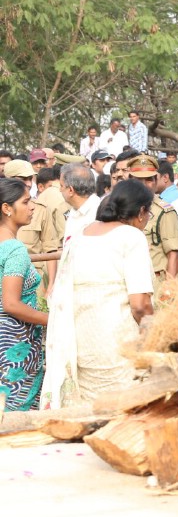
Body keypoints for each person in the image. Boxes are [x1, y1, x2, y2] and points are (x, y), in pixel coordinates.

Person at [42, 180, 154, 408]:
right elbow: (140, 304)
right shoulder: (131, 237)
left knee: (88, 409)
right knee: (123, 409)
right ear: (141, 212)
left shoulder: (81, 235)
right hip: (118, 343)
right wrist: (156, 337)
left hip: (80, 341)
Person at [0, 179, 49, 411]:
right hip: (14, 344)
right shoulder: (14, 249)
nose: (32, 207)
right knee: (13, 414)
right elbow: (11, 303)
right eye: (26, 202)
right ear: (6, 208)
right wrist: (51, 320)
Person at [125, 155, 178, 292]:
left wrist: (168, 291)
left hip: (154, 286)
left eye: (149, 180)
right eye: (139, 180)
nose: (144, 185)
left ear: (156, 181)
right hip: (126, 283)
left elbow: (173, 253)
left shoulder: (164, 211)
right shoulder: (121, 208)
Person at [18, 166, 68, 290]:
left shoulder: (39, 208)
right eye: (23, 179)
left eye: (30, 179)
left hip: (35, 281)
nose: (28, 184)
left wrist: (51, 285)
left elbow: (50, 249)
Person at [59, 163, 100, 245]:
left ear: (71, 190)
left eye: (61, 186)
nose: (60, 190)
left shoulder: (98, 212)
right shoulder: (74, 211)